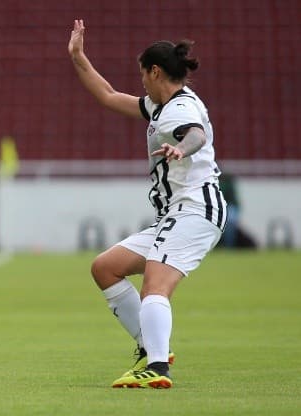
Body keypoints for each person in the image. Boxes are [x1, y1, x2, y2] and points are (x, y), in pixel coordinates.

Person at [68, 20, 226, 388]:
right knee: (106, 268)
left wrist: (179, 147)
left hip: (195, 209)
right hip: (175, 213)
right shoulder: (160, 106)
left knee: (155, 286)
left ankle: (157, 366)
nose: (140, 83)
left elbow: (197, 135)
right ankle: (150, 348)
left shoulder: (179, 108)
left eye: (142, 75)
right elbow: (107, 95)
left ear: (155, 72)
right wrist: (78, 56)